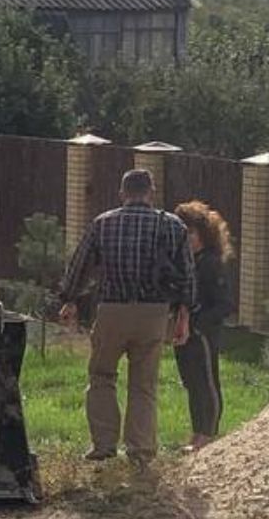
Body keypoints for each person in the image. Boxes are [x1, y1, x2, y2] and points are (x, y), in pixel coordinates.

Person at [55, 168, 195, 463]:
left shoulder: (103, 223)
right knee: (144, 384)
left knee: (102, 375)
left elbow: (79, 265)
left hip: (112, 310)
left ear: (122, 193)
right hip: (154, 313)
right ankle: (141, 451)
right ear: (151, 192)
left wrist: (69, 300)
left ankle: (104, 446)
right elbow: (187, 277)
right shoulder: (173, 226)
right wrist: (183, 316)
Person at [173, 200, 235, 448]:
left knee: (206, 382)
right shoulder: (186, 262)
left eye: (191, 232)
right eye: (183, 232)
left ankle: (208, 434)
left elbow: (225, 304)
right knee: (191, 382)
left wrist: (198, 323)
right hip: (183, 334)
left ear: (203, 234)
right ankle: (197, 431)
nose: (187, 238)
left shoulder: (211, 263)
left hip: (203, 333)